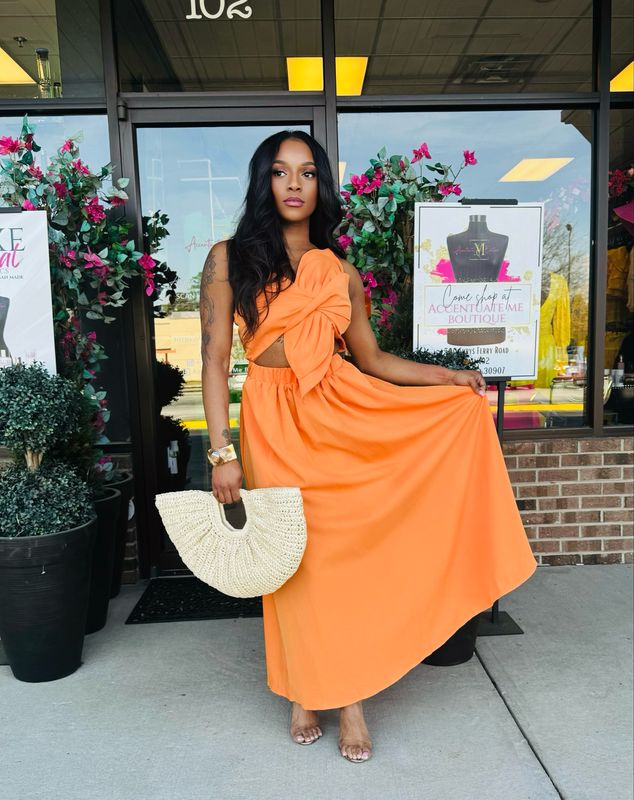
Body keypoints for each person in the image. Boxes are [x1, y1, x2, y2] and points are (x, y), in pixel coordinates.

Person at [200, 130, 537, 763]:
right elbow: (215, 362)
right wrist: (222, 452)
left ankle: (348, 696)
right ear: (263, 183)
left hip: (340, 411)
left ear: (321, 185)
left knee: (340, 558)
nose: (295, 183)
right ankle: (303, 689)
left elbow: (374, 359)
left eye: (307, 172)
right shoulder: (228, 259)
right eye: (281, 172)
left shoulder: (341, 271)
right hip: (272, 418)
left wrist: (449, 377)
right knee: (295, 559)